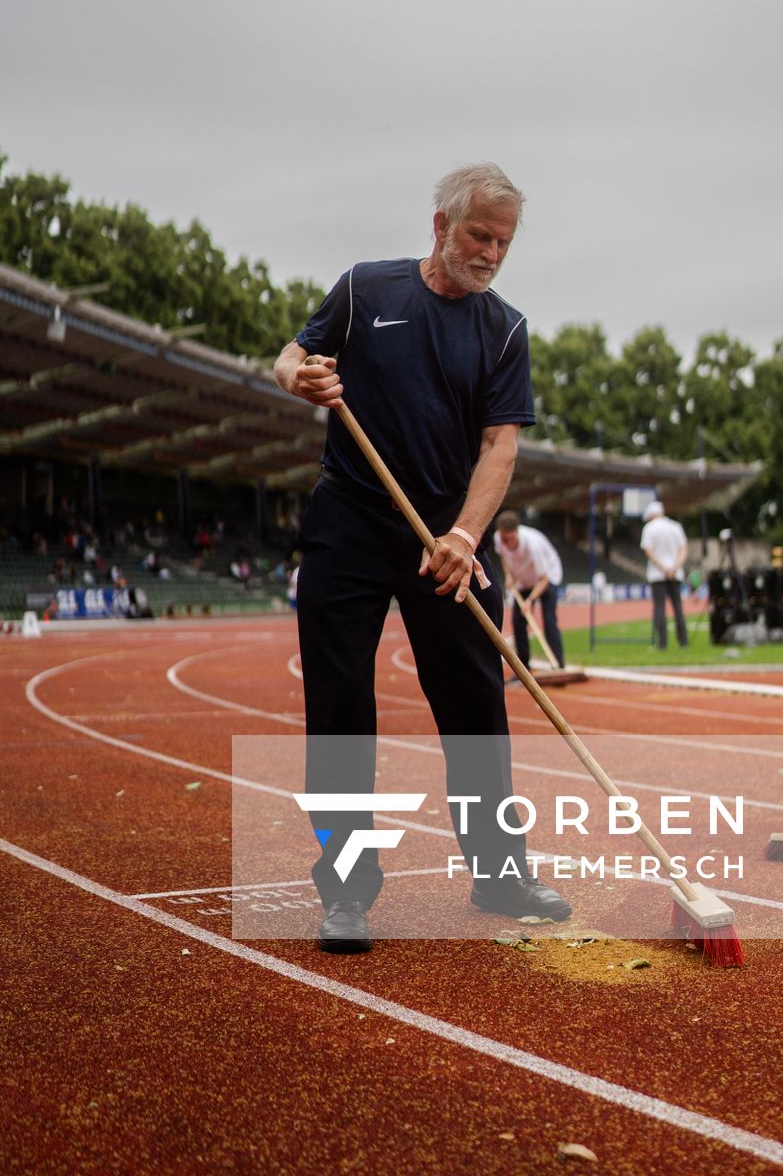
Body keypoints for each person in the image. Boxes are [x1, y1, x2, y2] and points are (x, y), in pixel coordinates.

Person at [274, 163, 570, 952]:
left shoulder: (504, 328)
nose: (493, 253)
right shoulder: (366, 291)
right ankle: (346, 893)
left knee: (477, 708)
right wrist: (301, 376)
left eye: (505, 241)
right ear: (440, 225)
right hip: (350, 517)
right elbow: (289, 357)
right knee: (340, 710)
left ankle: (500, 876)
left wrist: (465, 539)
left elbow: (501, 447)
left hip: (447, 528)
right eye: (481, 235)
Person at [494, 510, 565, 669]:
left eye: (510, 539)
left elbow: (544, 579)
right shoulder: (499, 538)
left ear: (517, 532)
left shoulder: (533, 545)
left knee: (549, 621)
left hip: (548, 577)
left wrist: (530, 600)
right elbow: (504, 557)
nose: (507, 543)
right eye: (504, 539)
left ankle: (558, 666)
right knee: (518, 623)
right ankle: (524, 668)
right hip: (523, 580)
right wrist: (509, 575)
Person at [640, 499, 689, 650]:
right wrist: (674, 568)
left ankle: (662, 643)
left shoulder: (649, 528)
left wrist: (663, 568)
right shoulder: (676, 526)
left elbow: (648, 551)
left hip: (657, 574)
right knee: (678, 608)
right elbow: (683, 549)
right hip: (675, 573)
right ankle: (683, 642)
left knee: (660, 608)